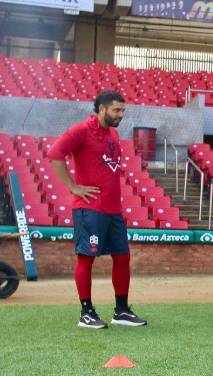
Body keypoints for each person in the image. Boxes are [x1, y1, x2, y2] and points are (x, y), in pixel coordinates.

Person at [48, 90, 147, 329]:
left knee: (122, 257)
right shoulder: (80, 131)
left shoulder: (112, 133)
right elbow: (54, 154)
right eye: (116, 110)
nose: (121, 115)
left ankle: (121, 311)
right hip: (90, 208)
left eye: (123, 110)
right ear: (101, 109)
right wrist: (73, 186)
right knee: (87, 258)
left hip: (113, 209)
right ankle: (86, 313)